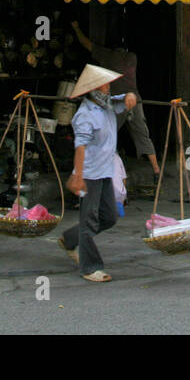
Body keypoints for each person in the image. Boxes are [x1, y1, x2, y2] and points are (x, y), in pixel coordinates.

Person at [59, 63, 139, 283]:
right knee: (89, 219)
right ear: (94, 89)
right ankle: (90, 267)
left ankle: (70, 239)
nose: (108, 87)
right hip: (89, 173)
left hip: (105, 171)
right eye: (104, 84)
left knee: (109, 216)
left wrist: (130, 95)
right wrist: (78, 176)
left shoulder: (107, 105)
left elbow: (125, 99)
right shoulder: (85, 115)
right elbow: (81, 147)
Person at [71, 20, 161, 187]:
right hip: (135, 99)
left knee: (107, 134)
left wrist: (76, 27)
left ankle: (102, 171)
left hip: (119, 100)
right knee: (143, 135)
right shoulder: (132, 57)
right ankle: (156, 170)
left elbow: (86, 43)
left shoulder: (107, 56)